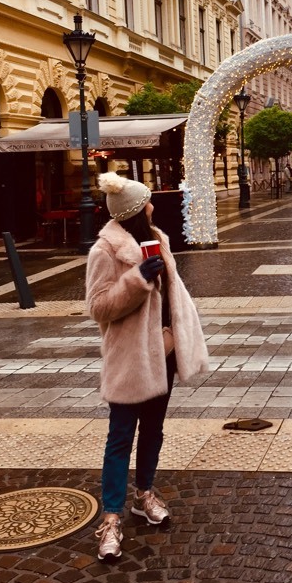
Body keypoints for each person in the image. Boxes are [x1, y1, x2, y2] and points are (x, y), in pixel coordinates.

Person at [86, 172, 208, 562]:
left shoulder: (158, 238)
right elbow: (99, 307)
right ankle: (110, 517)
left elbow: (173, 294)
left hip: (164, 351)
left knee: (153, 428)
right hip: (130, 359)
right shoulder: (104, 251)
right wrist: (136, 280)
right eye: (148, 201)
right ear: (135, 211)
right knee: (120, 437)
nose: (154, 204)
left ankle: (144, 494)